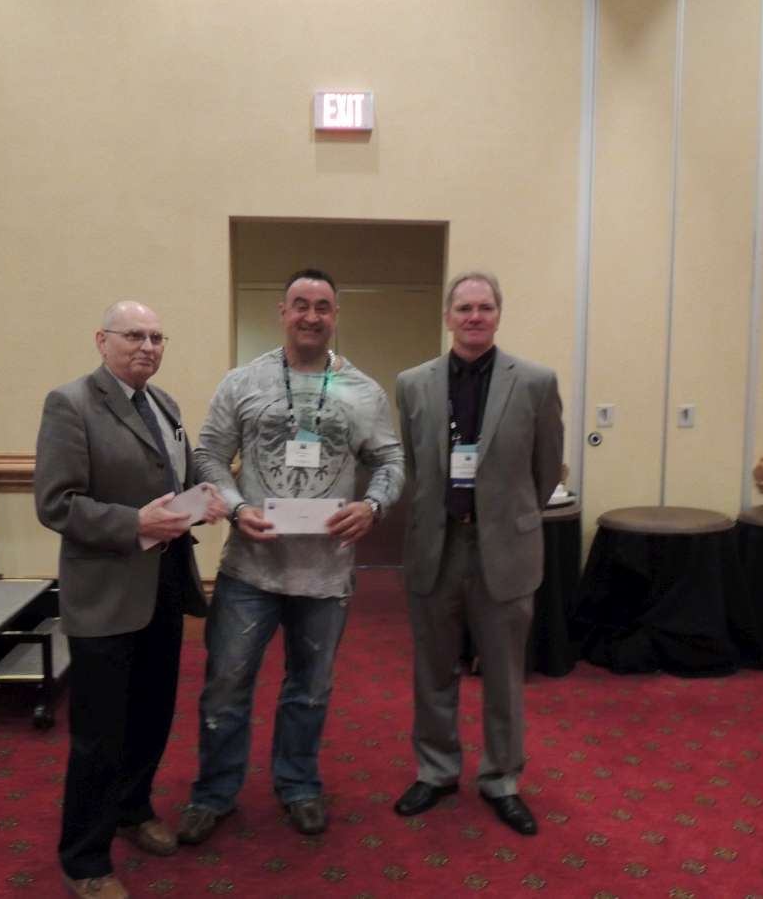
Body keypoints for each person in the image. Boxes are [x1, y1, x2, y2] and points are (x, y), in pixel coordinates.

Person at [177, 268, 404, 844]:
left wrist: (374, 506)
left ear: (335, 316)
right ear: (282, 312)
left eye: (322, 306)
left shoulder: (364, 392)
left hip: (326, 575)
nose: (311, 316)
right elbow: (208, 454)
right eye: (300, 304)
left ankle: (298, 785)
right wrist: (234, 508)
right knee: (225, 687)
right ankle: (213, 793)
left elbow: (391, 461)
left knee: (310, 691)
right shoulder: (243, 382)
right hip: (249, 570)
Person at [35, 300, 227, 899]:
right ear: (102, 340)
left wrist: (202, 497)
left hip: (164, 583)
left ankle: (133, 809)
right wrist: (133, 523)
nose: (148, 346)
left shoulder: (163, 403)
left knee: (151, 714)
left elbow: (174, 478)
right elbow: (56, 504)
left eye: (157, 337)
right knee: (99, 734)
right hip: (106, 593)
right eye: (135, 335)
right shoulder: (70, 403)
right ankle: (85, 860)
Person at [393, 271, 563, 836]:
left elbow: (545, 469)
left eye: (484, 307)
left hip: (505, 549)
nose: (474, 316)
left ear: (497, 315)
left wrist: (502, 514)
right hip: (436, 546)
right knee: (433, 670)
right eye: (464, 307)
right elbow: (415, 466)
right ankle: (436, 770)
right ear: (448, 316)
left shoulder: (535, 382)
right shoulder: (412, 383)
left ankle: (502, 779)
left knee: (504, 675)